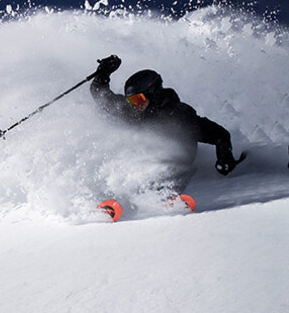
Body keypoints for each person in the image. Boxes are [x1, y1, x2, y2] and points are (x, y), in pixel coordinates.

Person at [90, 55, 240, 203]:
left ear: (152, 93)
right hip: (141, 161)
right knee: (120, 162)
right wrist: (103, 74)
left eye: (138, 99)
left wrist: (224, 156)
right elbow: (103, 98)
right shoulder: (133, 112)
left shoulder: (179, 114)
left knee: (165, 170)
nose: (135, 105)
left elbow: (219, 134)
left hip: (176, 165)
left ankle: (166, 196)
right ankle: (106, 199)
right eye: (131, 101)